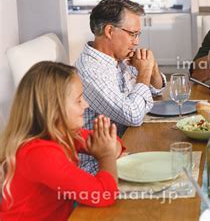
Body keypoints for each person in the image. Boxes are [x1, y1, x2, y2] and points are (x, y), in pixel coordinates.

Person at [0, 61, 124, 221]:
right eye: (79, 100)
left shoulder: (63, 135)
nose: (86, 105)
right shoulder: (40, 154)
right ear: (55, 110)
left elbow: (111, 141)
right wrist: (106, 155)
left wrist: (108, 146)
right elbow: (103, 194)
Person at [75, 0, 166, 174]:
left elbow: (155, 90)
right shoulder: (91, 70)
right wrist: (144, 72)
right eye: (133, 34)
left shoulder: (117, 59)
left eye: (138, 35)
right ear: (109, 31)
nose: (137, 41)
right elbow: (133, 115)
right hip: (98, 165)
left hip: (124, 145)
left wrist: (151, 67)